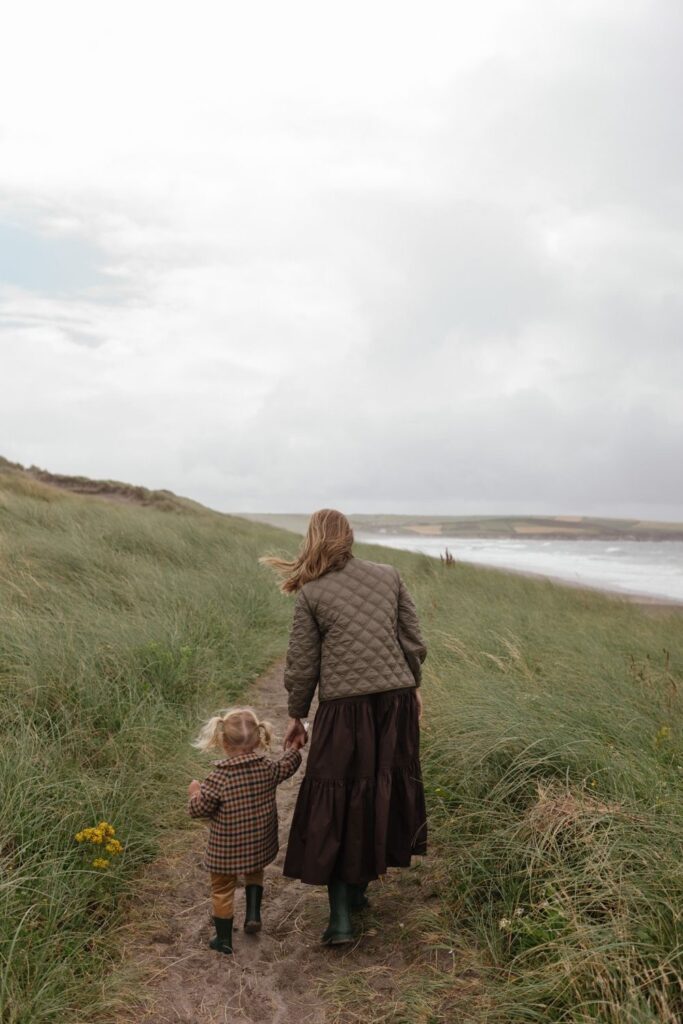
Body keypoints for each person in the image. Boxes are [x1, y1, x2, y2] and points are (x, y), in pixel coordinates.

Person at [259, 509, 427, 945]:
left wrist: (296, 715)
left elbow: (302, 666)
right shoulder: (389, 575)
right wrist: (414, 686)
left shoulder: (312, 593)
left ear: (312, 539)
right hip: (395, 703)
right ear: (350, 538)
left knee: (338, 801)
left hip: (344, 710)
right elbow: (413, 639)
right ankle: (356, 893)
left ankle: (341, 921)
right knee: (380, 792)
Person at [187, 707, 303, 955]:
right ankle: (252, 914)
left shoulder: (219, 778)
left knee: (222, 889)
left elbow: (200, 810)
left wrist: (195, 793)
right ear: (259, 739)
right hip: (258, 843)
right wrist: (295, 748)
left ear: (223, 742)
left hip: (225, 850)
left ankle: (224, 939)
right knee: (254, 872)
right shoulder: (267, 768)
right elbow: (287, 765)